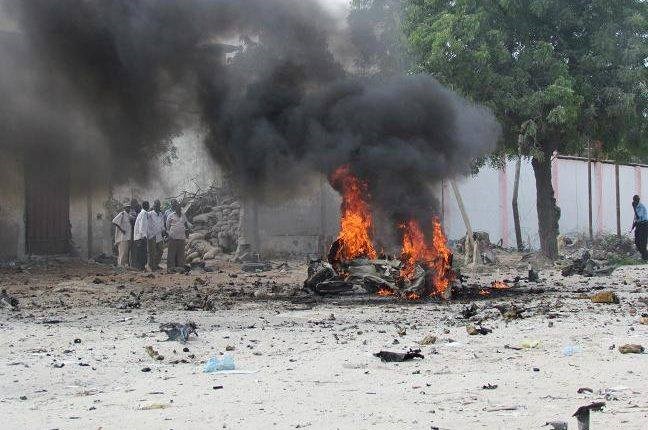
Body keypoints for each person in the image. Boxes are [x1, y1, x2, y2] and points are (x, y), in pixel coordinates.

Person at [166, 199, 192, 272]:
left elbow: (186, 224)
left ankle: (180, 268)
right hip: (173, 238)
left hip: (181, 238)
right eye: (176, 207)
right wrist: (170, 234)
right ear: (174, 208)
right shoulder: (170, 215)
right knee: (171, 254)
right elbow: (167, 227)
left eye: (178, 206)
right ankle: (170, 269)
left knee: (181, 254)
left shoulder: (183, 215)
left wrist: (187, 232)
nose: (178, 208)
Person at [111, 201, 132, 267]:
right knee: (122, 253)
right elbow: (114, 221)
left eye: (129, 207)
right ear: (124, 208)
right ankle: (120, 266)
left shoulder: (128, 215)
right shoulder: (122, 214)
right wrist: (121, 230)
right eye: (127, 207)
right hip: (122, 237)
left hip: (127, 237)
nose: (128, 209)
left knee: (125, 253)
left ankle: (123, 266)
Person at [147, 200, 165, 271]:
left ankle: (156, 264)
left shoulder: (160, 214)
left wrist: (163, 230)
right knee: (152, 252)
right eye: (155, 205)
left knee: (160, 251)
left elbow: (162, 224)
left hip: (159, 235)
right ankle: (151, 267)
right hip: (152, 235)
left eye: (158, 205)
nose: (156, 206)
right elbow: (146, 224)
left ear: (159, 206)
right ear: (153, 206)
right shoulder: (149, 214)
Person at [133, 200, 150, 270]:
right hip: (141, 237)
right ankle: (141, 267)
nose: (149, 206)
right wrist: (143, 236)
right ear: (146, 206)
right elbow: (142, 225)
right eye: (148, 205)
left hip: (138, 237)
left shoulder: (142, 213)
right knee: (142, 253)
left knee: (140, 253)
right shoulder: (144, 213)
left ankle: (140, 267)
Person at [631, 195, 648, 260]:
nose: (635, 201)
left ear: (638, 200)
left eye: (636, 200)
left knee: (642, 242)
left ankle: (645, 257)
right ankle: (645, 255)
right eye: (634, 200)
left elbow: (639, 216)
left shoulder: (641, 206)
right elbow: (636, 219)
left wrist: (634, 208)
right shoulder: (636, 206)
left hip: (644, 225)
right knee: (637, 242)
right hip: (639, 225)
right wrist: (633, 225)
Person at [128, 199, 141, 267]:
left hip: (135, 233)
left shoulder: (137, 212)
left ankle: (134, 264)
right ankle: (132, 264)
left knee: (135, 249)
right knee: (132, 249)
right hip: (132, 232)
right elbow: (133, 220)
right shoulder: (131, 212)